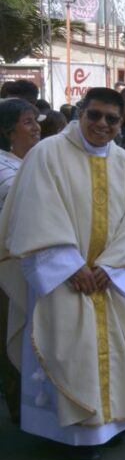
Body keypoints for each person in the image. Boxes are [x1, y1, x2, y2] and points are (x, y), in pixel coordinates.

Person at [0, 87, 125, 460]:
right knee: (68, 350)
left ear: (121, 123)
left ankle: (108, 424)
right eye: (94, 115)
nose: (102, 124)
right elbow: (36, 212)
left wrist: (110, 266)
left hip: (106, 277)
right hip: (63, 276)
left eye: (111, 119)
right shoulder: (47, 153)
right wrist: (70, 266)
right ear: (81, 113)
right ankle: (72, 434)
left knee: (113, 348)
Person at [0, 99, 42, 422]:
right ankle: (21, 411)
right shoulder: (5, 169)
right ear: (7, 131)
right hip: (9, 267)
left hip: (35, 265)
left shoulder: (30, 163)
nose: (36, 128)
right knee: (11, 336)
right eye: (28, 122)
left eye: (36, 120)